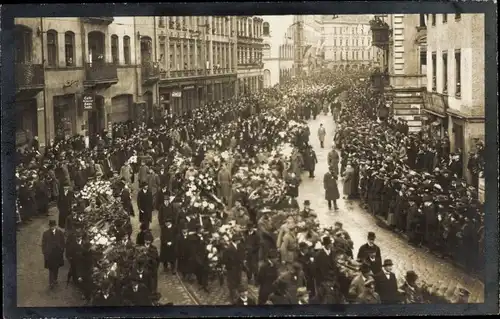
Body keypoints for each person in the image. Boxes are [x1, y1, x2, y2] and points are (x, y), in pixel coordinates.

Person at [41, 220, 65, 289]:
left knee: (56, 268)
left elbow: (63, 242)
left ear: (56, 225)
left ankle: (55, 279)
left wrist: (62, 249)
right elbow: (43, 244)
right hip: (50, 255)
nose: (52, 227)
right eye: (51, 226)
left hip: (57, 254)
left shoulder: (60, 233)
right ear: (49, 226)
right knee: (51, 269)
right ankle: (51, 282)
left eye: (54, 226)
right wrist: (44, 252)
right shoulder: (45, 234)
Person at [222, 233, 245, 303]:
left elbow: (241, 254)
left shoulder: (239, 246)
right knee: (232, 284)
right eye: (239, 239)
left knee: (238, 281)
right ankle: (232, 297)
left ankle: (238, 296)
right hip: (231, 269)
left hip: (238, 268)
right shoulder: (229, 248)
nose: (240, 240)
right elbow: (225, 260)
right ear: (236, 240)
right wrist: (229, 267)